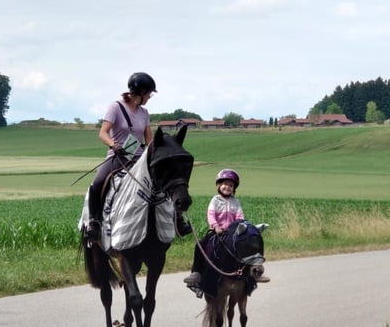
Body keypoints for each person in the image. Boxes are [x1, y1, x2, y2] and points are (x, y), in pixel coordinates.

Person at [84, 72, 191, 241]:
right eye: (149, 93)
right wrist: (113, 144)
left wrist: (159, 154)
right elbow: (102, 133)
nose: (149, 96)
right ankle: (93, 223)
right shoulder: (115, 108)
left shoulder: (144, 113)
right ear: (140, 92)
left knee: (165, 181)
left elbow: (149, 139)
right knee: (97, 183)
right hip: (118, 157)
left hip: (140, 159)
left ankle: (178, 220)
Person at [183, 168, 269, 286]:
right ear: (219, 185)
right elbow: (211, 215)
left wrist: (242, 227)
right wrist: (216, 226)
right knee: (200, 245)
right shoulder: (215, 200)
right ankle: (196, 272)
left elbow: (240, 217)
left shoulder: (236, 202)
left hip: (233, 233)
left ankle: (255, 272)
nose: (227, 187)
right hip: (217, 232)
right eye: (224, 184)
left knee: (249, 246)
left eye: (230, 185)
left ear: (234, 188)